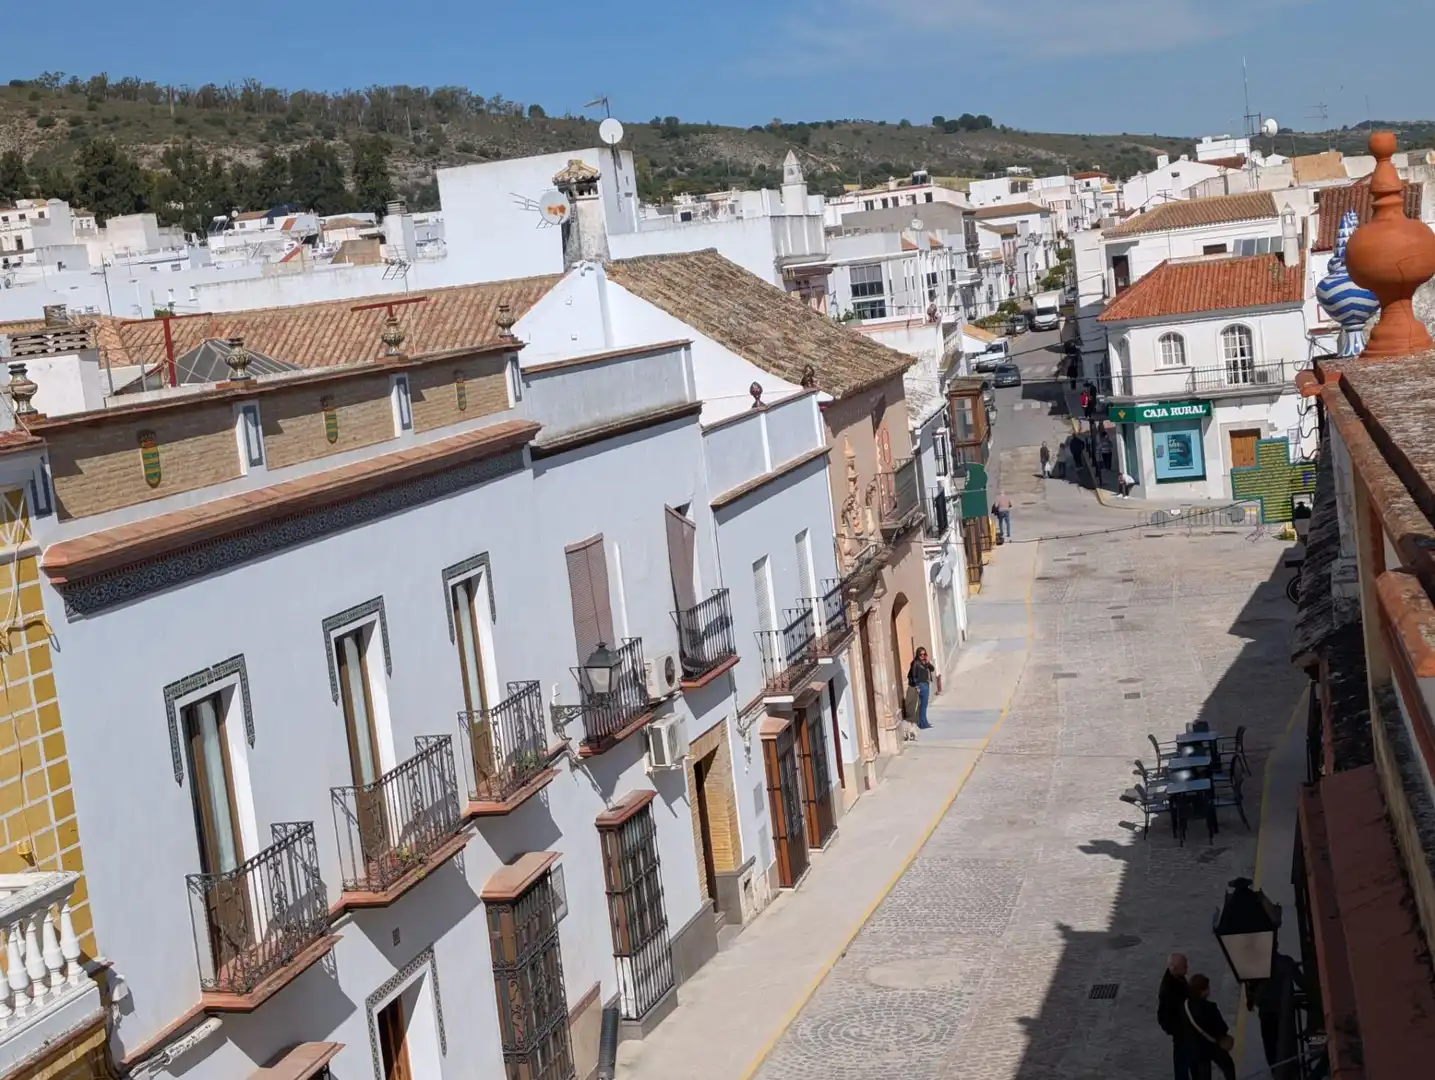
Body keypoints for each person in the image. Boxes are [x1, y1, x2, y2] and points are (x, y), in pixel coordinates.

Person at [1247, 951, 1303, 1075]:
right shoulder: (1286, 961)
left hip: (1266, 1011)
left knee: (1270, 1043)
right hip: (1284, 1009)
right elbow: (1301, 982)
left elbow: (1251, 985)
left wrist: (1251, 1000)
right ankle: (1289, 1070)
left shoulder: (1256, 962)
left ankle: (1275, 1071)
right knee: (1287, 1041)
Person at [1184, 973, 1236, 1080]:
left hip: (1194, 1046)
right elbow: (1221, 1029)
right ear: (1202, 992)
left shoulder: (1186, 1006)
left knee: (1202, 1073)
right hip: (1212, 1045)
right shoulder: (1210, 1008)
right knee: (1228, 1065)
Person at [1158, 953, 1193, 1080]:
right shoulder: (1169, 989)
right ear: (1174, 968)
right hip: (1179, 1027)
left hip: (1181, 1025)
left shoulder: (1177, 977)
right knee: (1182, 1058)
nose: (1187, 968)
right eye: (1184, 966)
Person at [907, 647, 936, 730]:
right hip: (921, 685)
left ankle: (924, 721)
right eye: (921, 655)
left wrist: (927, 662)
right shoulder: (915, 663)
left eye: (924, 654)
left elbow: (932, 669)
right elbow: (913, 675)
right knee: (922, 705)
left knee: (924, 705)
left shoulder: (924, 663)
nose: (923, 656)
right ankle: (922, 723)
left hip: (926, 684)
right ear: (918, 655)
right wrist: (917, 686)